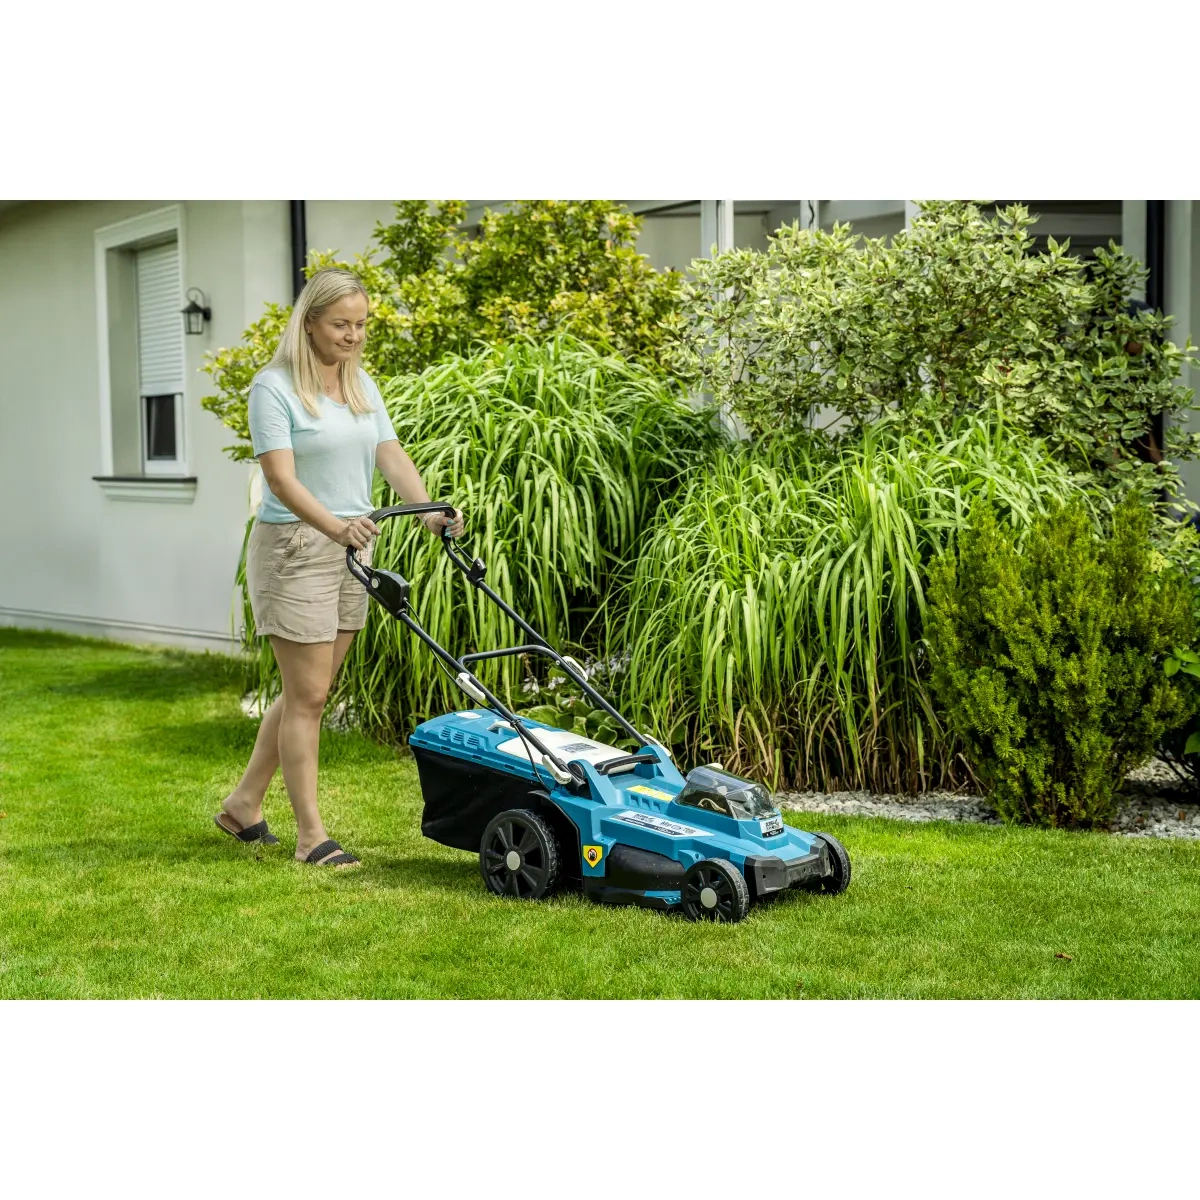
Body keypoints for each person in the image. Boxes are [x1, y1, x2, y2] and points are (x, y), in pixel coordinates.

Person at [214, 267, 464, 867]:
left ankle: (243, 804)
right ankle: (311, 837)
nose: (353, 336)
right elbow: (280, 479)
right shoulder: (273, 388)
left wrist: (428, 512)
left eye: (361, 324)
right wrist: (334, 527)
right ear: (309, 323)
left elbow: (389, 453)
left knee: (310, 691)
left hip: (353, 545)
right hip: (296, 547)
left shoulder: (359, 383)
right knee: (309, 695)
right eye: (340, 325)